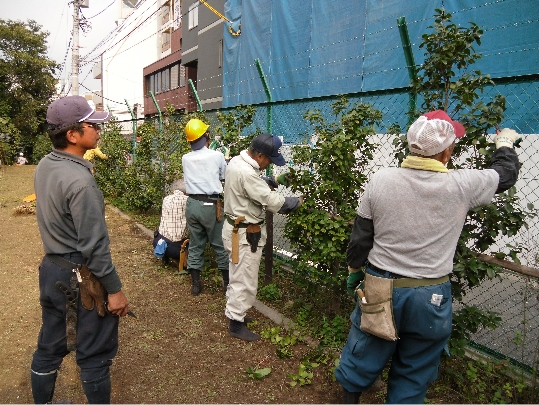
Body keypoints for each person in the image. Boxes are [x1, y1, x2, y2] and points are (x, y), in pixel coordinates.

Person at [335, 110, 521, 404]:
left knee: (364, 346)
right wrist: (504, 145)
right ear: (447, 151)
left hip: (380, 287)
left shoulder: (381, 180)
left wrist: (355, 271)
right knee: (416, 367)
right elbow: (506, 174)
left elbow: (360, 238)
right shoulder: (463, 185)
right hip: (431, 295)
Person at [31, 95, 130, 404]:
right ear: (72, 135)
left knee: (50, 343)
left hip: (52, 269)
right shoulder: (80, 182)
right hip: (78, 275)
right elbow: (95, 246)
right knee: (94, 353)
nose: (99, 129)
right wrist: (114, 290)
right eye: (92, 124)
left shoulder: (47, 164)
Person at [223, 133, 302, 341]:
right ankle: (236, 324)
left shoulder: (237, 162)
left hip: (234, 229)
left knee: (237, 274)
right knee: (245, 280)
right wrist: (296, 202)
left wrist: (271, 180)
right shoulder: (247, 173)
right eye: (269, 159)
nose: (269, 164)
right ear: (259, 155)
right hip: (245, 234)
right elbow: (272, 201)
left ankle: (235, 313)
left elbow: (249, 184)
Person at [182, 118, 229, 295]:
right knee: (219, 244)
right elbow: (224, 176)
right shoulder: (217, 156)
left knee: (195, 244)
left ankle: (196, 285)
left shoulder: (185, 158)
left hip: (192, 204)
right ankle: (226, 283)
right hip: (210, 205)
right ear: (205, 136)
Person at [152, 178, 189, 264]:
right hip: (176, 248)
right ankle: (186, 265)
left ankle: (165, 256)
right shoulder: (188, 201)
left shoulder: (166, 199)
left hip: (158, 241)